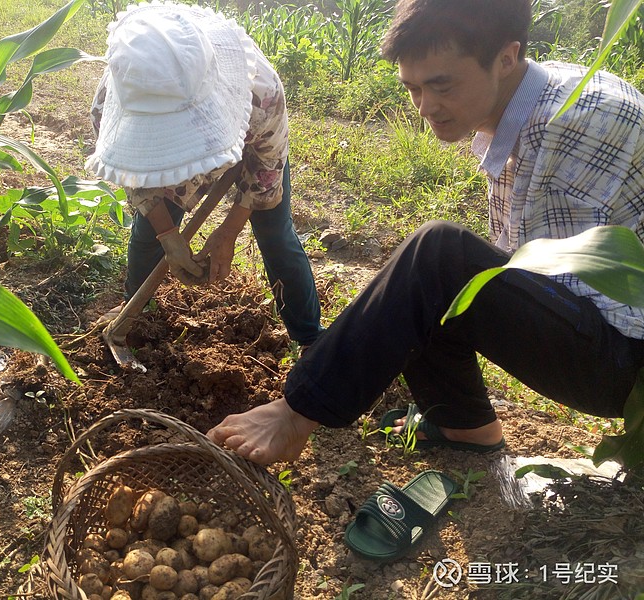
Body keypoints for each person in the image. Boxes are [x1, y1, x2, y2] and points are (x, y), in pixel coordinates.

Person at [208, 0, 644, 466]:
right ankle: (466, 427)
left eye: (442, 85)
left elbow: (544, 277)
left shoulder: (572, 122)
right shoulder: (534, 95)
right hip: (607, 337)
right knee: (429, 277)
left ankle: (298, 414)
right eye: (413, 88)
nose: (425, 107)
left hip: (628, 361)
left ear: (506, 57)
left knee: (438, 258)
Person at [86, 2, 324, 349]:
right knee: (148, 233)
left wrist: (228, 232)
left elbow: (266, 167)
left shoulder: (261, 92)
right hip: (179, 140)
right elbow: (135, 179)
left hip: (247, 137)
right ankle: (133, 313)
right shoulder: (112, 102)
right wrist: (168, 235)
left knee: (275, 234)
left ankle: (310, 338)